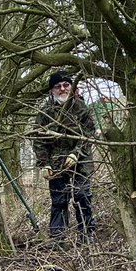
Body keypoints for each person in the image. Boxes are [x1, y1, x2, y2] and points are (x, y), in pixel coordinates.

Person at [31, 71, 97, 239]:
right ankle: (58, 240)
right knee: (59, 201)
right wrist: (43, 163)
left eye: (66, 85)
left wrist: (76, 154)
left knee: (82, 197)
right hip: (56, 165)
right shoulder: (45, 112)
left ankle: (87, 236)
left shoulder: (81, 107)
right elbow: (38, 140)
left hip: (81, 162)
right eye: (58, 86)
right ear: (51, 90)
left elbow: (89, 134)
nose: (62, 88)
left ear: (72, 87)